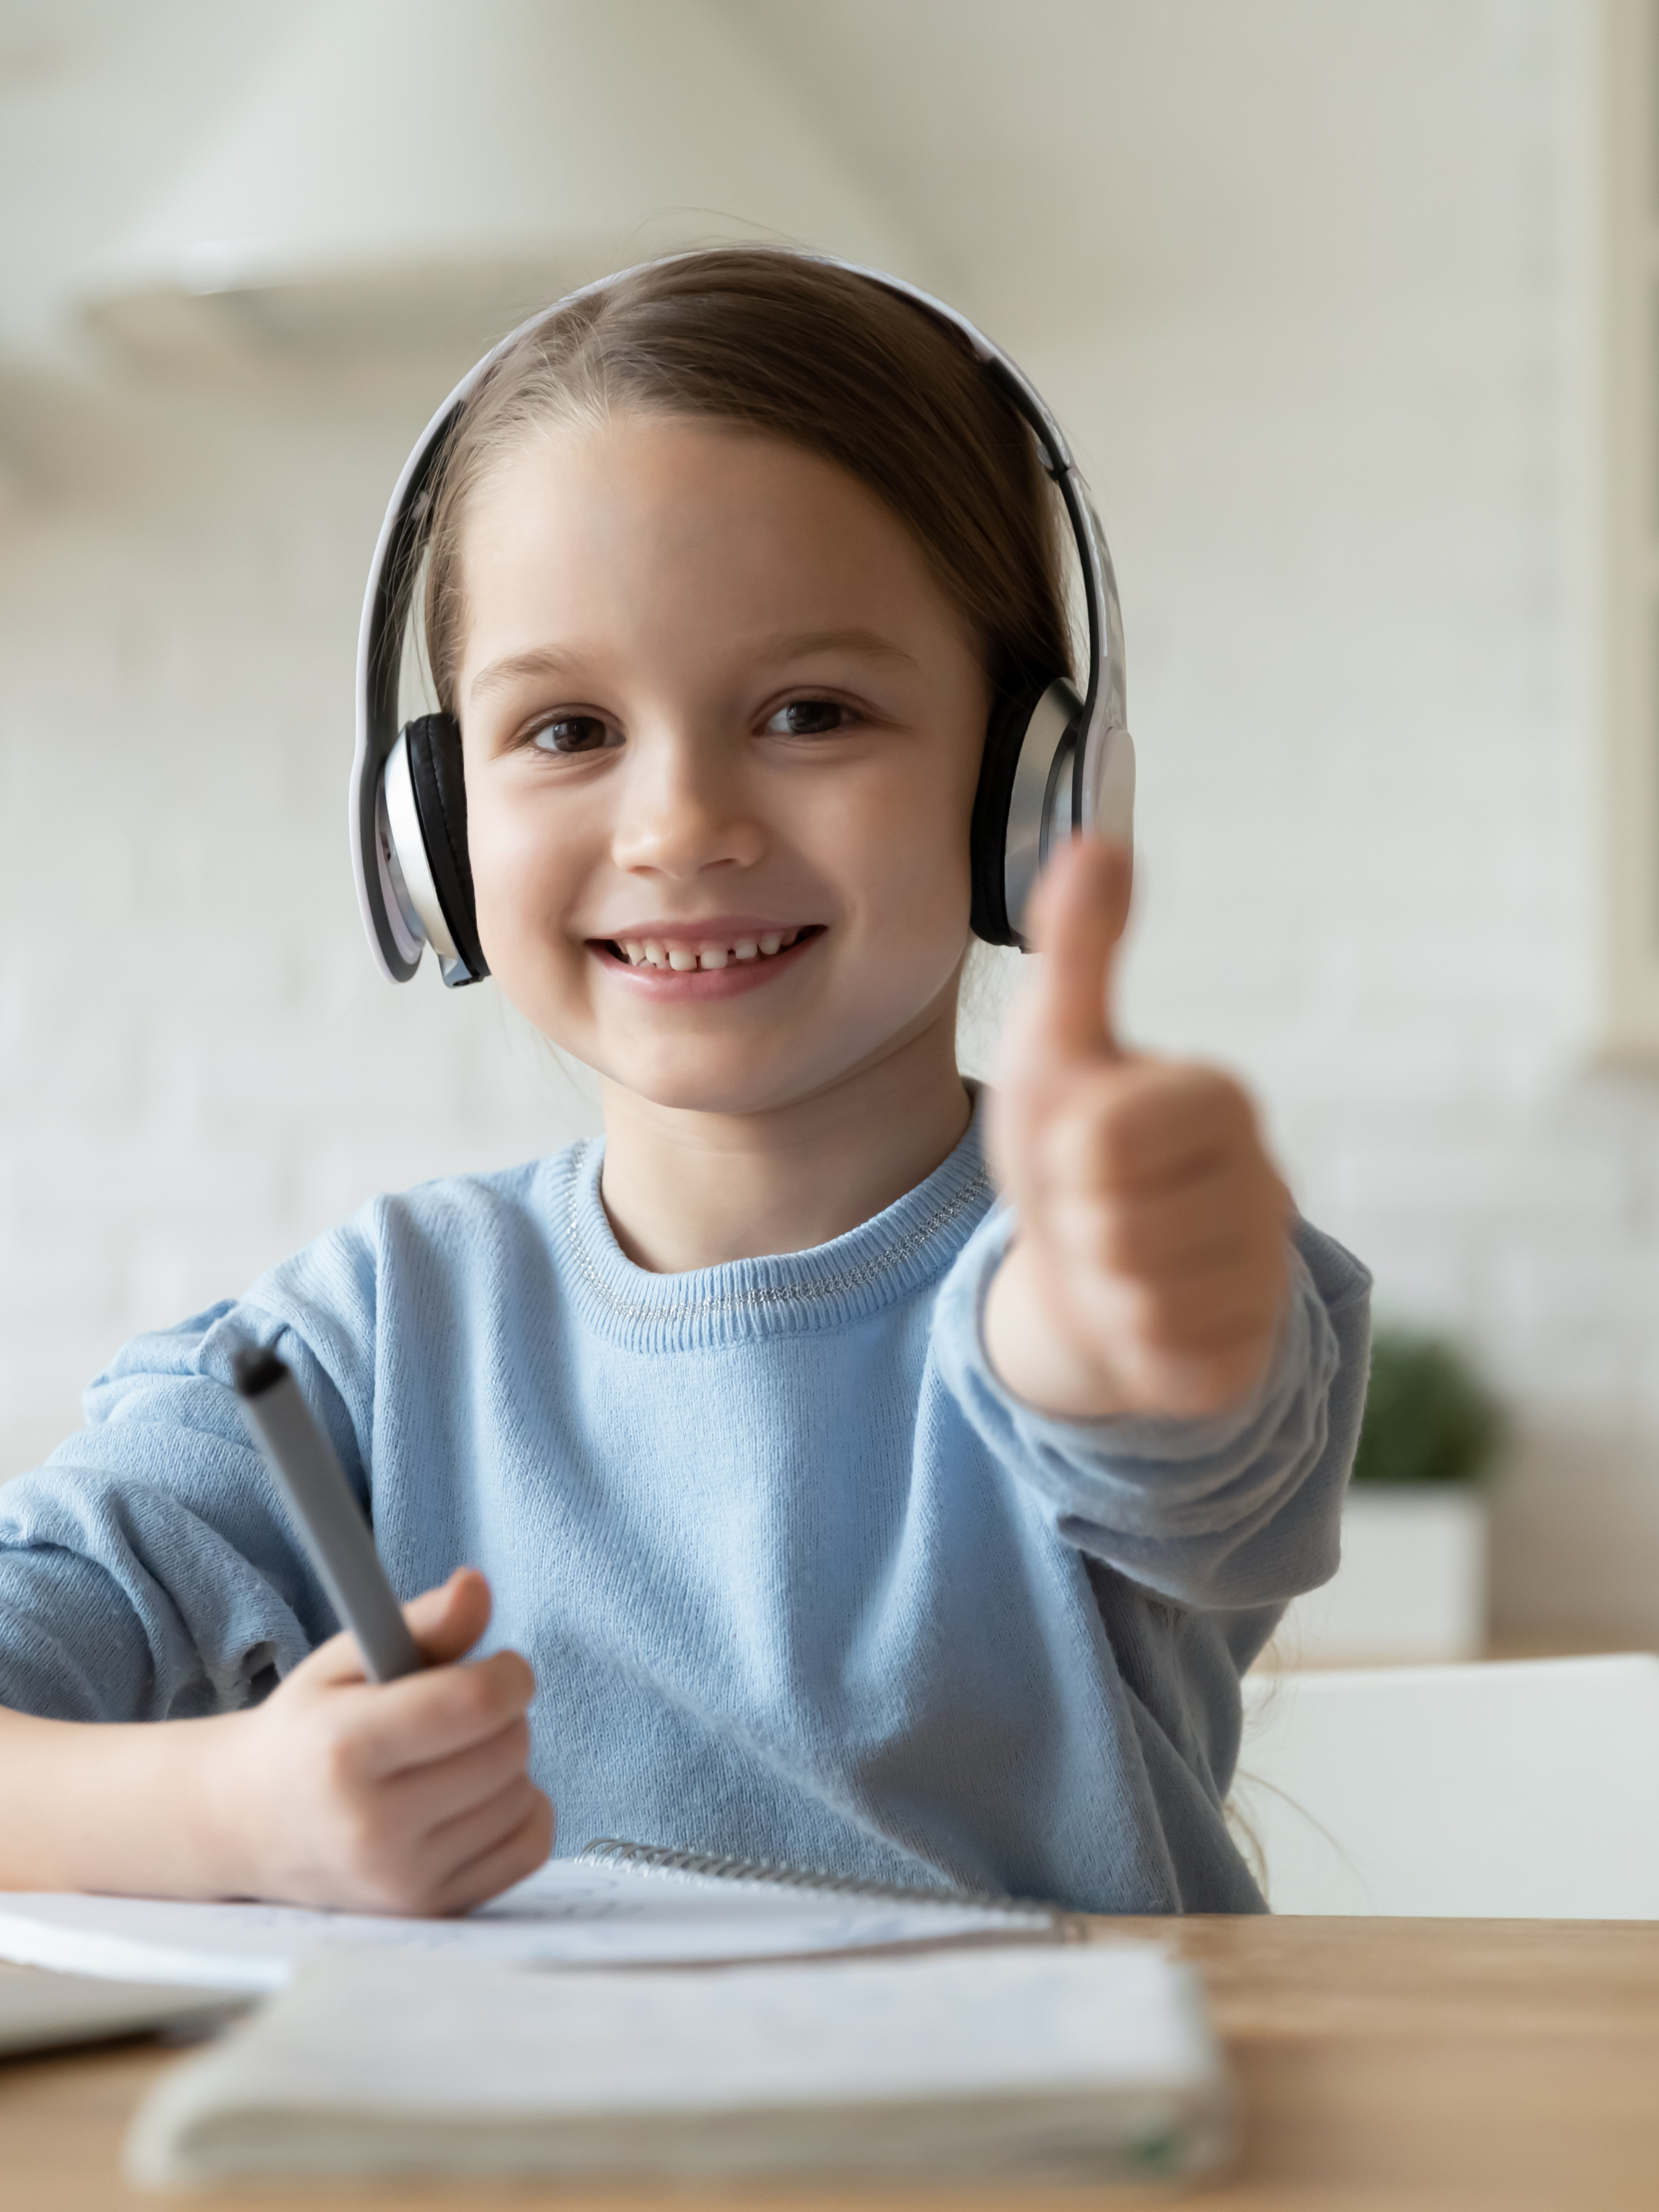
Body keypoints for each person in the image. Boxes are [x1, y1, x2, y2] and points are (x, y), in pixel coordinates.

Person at [0, 252, 1369, 1916]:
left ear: (1028, 792)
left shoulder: (1096, 1275)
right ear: (433, 829)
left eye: (809, 711)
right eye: (567, 730)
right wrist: (231, 1813)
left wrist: (1119, 1333)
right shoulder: (359, 1346)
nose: (677, 827)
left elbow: (1153, 1411)